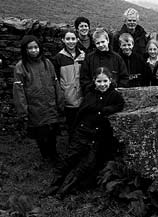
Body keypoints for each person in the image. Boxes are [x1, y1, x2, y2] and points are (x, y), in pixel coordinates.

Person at [48, 67, 125, 198]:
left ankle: (63, 191)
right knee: (70, 157)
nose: (102, 85)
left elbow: (119, 105)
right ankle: (54, 185)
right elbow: (82, 114)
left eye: (105, 81)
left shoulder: (115, 95)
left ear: (110, 80)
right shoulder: (90, 95)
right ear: (94, 81)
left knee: (86, 164)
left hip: (97, 136)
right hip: (83, 132)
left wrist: (106, 109)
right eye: (99, 82)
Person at [13, 35, 63, 163]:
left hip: (50, 104)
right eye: (30, 48)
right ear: (25, 50)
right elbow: (19, 91)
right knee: (40, 134)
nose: (34, 50)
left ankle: (54, 154)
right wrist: (23, 110)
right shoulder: (21, 67)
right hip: (35, 106)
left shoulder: (47, 63)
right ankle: (45, 154)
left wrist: (60, 100)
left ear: (40, 48)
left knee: (52, 132)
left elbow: (55, 82)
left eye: (36, 47)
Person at [80, 28, 129, 95]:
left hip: (113, 94)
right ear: (94, 44)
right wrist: (91, 90)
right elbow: (84, 78)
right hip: (95, 94)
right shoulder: (89, 58)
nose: (101, 45)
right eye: (98, 43)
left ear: (108, 40)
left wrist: (118, 89)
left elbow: (124, 77)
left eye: (103, 42)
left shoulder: (117, 58)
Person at [53, 29, 85, 131]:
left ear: (77, 39)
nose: (71, 41)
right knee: (71, 125)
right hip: (68, 97)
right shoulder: (59, 57)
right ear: (63, 40)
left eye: (73, 39)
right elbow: (56, 78)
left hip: (82, 96)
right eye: (68, 39)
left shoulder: (83, 55)